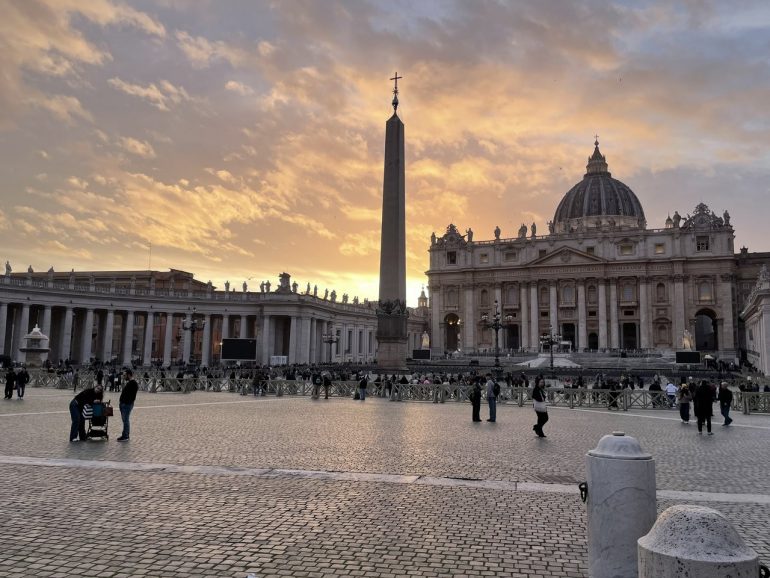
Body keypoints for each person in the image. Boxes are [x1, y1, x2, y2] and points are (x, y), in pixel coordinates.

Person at [117, 370, 138, 442]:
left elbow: (132, 396)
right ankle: (125, 434)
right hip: (125, 404)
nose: (124, 377)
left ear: (129, 375)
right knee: (125, 420)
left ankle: (125, 436)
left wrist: (126, 402)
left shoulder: (133, 383)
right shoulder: (130, 383)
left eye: (125, 375)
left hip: (127, 404)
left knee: (126, 420)